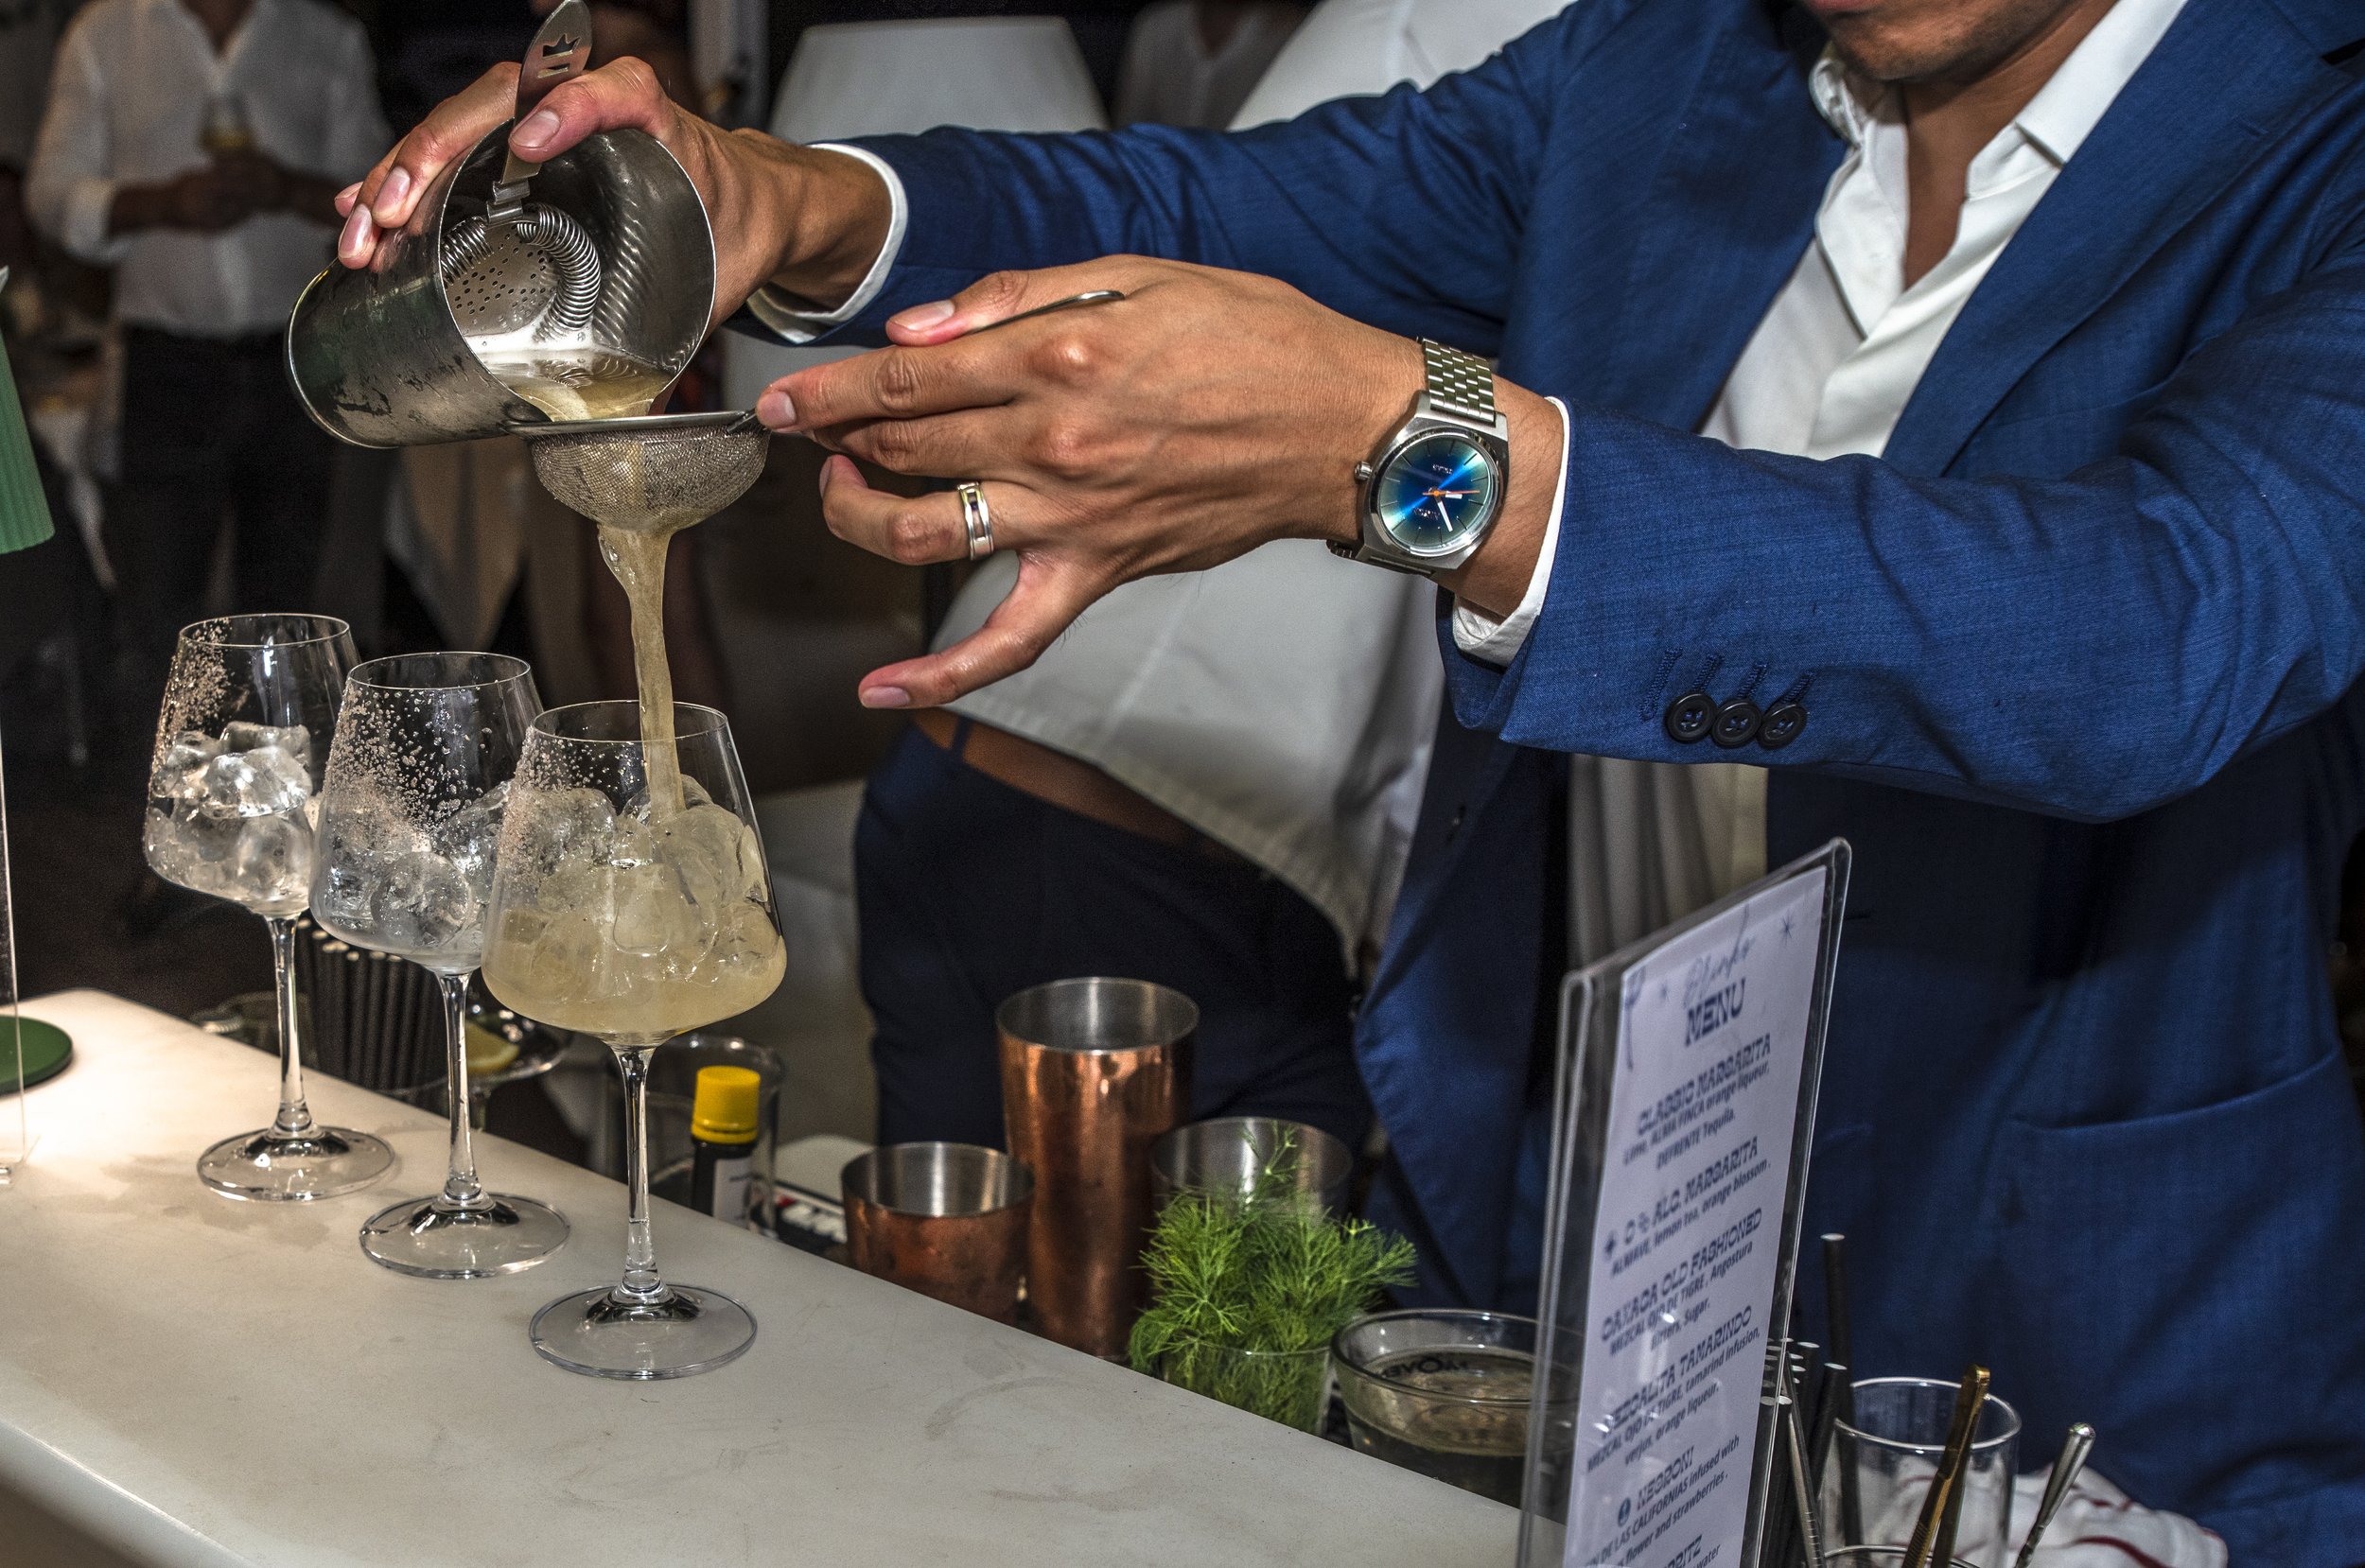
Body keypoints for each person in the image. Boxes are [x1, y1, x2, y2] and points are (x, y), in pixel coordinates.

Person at [340, 0, 2365, 1553]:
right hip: (1602, 1216)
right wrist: (787, 197)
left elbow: (2157, 623)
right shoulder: (1675, 71)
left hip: (2056, 1290)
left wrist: (1421, 449)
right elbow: (1213, 210)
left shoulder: (2313, 119)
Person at [27, 0, 386, 705]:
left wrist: (284, 187)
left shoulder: (327, 35)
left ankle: (289, 792)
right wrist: (164, 203)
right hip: (167, 365)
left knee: (291, 614)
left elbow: (385, 191)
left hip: (299, 360)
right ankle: (168, 796)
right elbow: (49, 194)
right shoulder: (105, 33)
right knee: (160, 616)